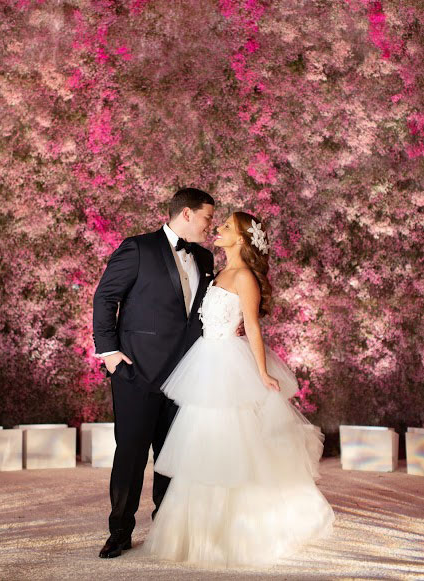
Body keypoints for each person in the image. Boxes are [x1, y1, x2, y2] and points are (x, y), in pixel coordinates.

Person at [142, 211, 335, 570]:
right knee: (202, 442)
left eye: (226, 227)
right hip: (205, 361)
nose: (217, 230)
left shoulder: (245, 276)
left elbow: (252, 327)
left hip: (228, 365)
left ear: (242, 239)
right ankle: (195, 533)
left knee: (233, 443)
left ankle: (235, 533)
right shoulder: (217, 272)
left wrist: (261, 372)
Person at [92, 187, 216, 559]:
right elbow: (105, 297)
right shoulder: (139, 248)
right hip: (137, 372)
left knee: (172, 454)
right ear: (187, 214)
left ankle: (166, 527)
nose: (211, 226)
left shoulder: (206, 258)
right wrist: (110, 352)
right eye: (208, 217)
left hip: (185, 374)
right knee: (130, 454)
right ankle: (120, 531)